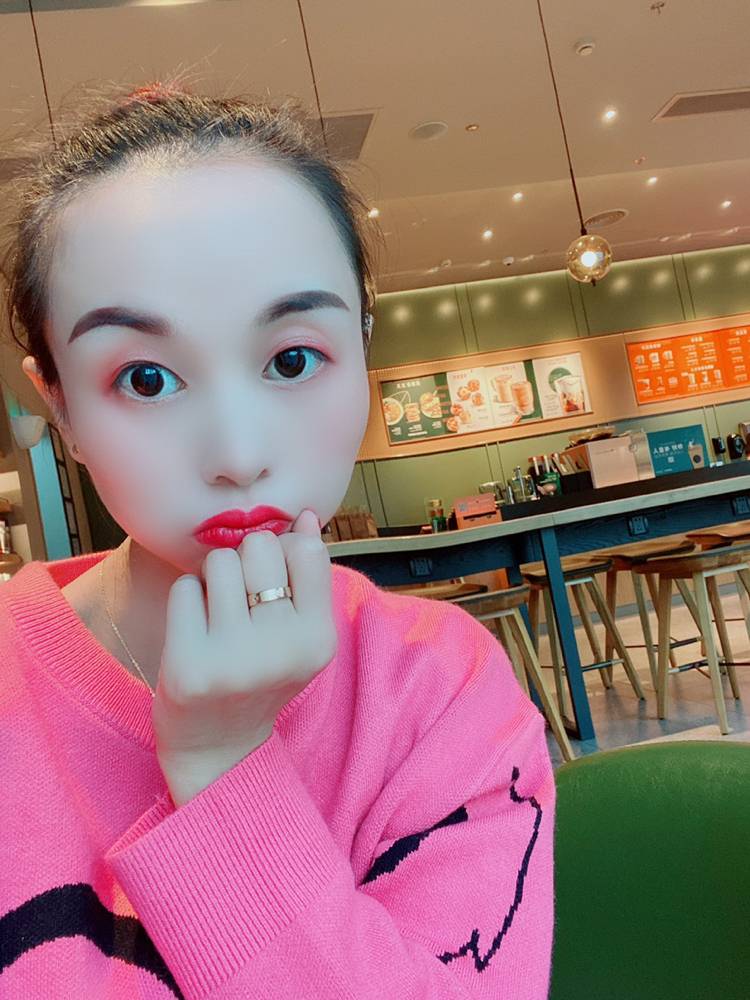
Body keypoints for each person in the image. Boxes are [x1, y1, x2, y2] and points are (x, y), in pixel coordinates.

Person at [0, 83, 555, 998]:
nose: (238, 455)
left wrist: (220, 763)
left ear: (363, 353)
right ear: (59, 405)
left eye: (292, 360)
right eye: (145, 379)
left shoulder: (437, 693)